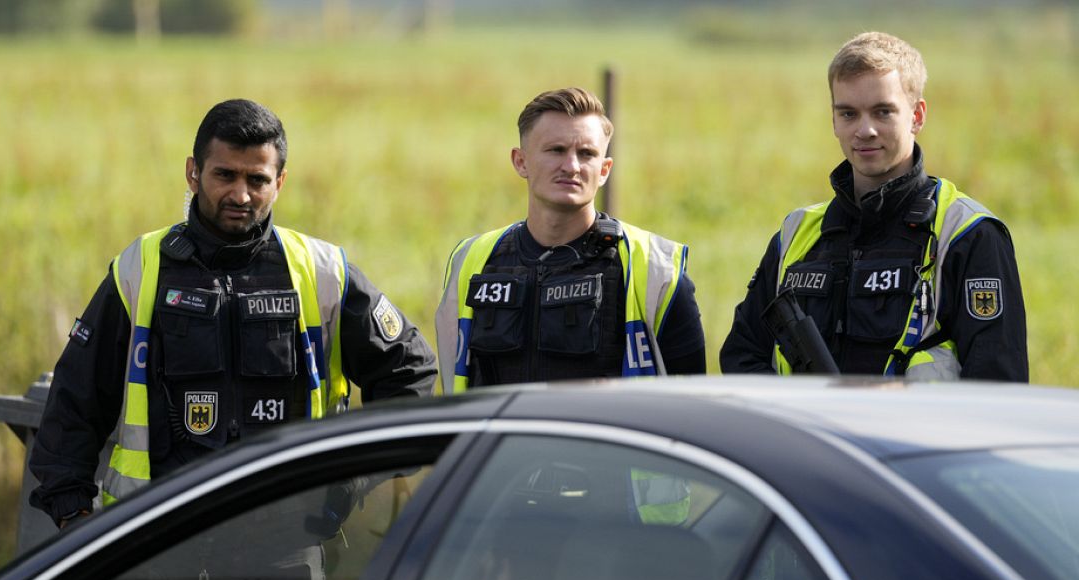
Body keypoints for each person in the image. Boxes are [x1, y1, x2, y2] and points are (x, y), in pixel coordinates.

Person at [29, 99, 437, 529]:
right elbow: (75, 399)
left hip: (286, 546)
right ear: (193, 172)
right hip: (154, 540)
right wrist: (71, 512)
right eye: (225, 175)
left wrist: (352, 477)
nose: (241, 195)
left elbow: (410, 374)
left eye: (257, 180)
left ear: (280, 182)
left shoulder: (322, 272)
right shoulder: (139, 268)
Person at [720, 32, 1027, 380]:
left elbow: (998, 384)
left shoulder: (967, 235)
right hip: (811, 434)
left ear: (917, 116)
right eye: (848, 113)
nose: (864, 130)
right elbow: (742, 357)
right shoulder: (795, 234)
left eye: (883, 112)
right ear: (834, 120)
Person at [436, 87, 705, 394]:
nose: (572, 166)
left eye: (587, 154)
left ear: (604, 170)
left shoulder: (657, 271)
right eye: (556, 150)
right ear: (520, 162)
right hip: (502, 442)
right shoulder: (472, 260)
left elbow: (691, 400)